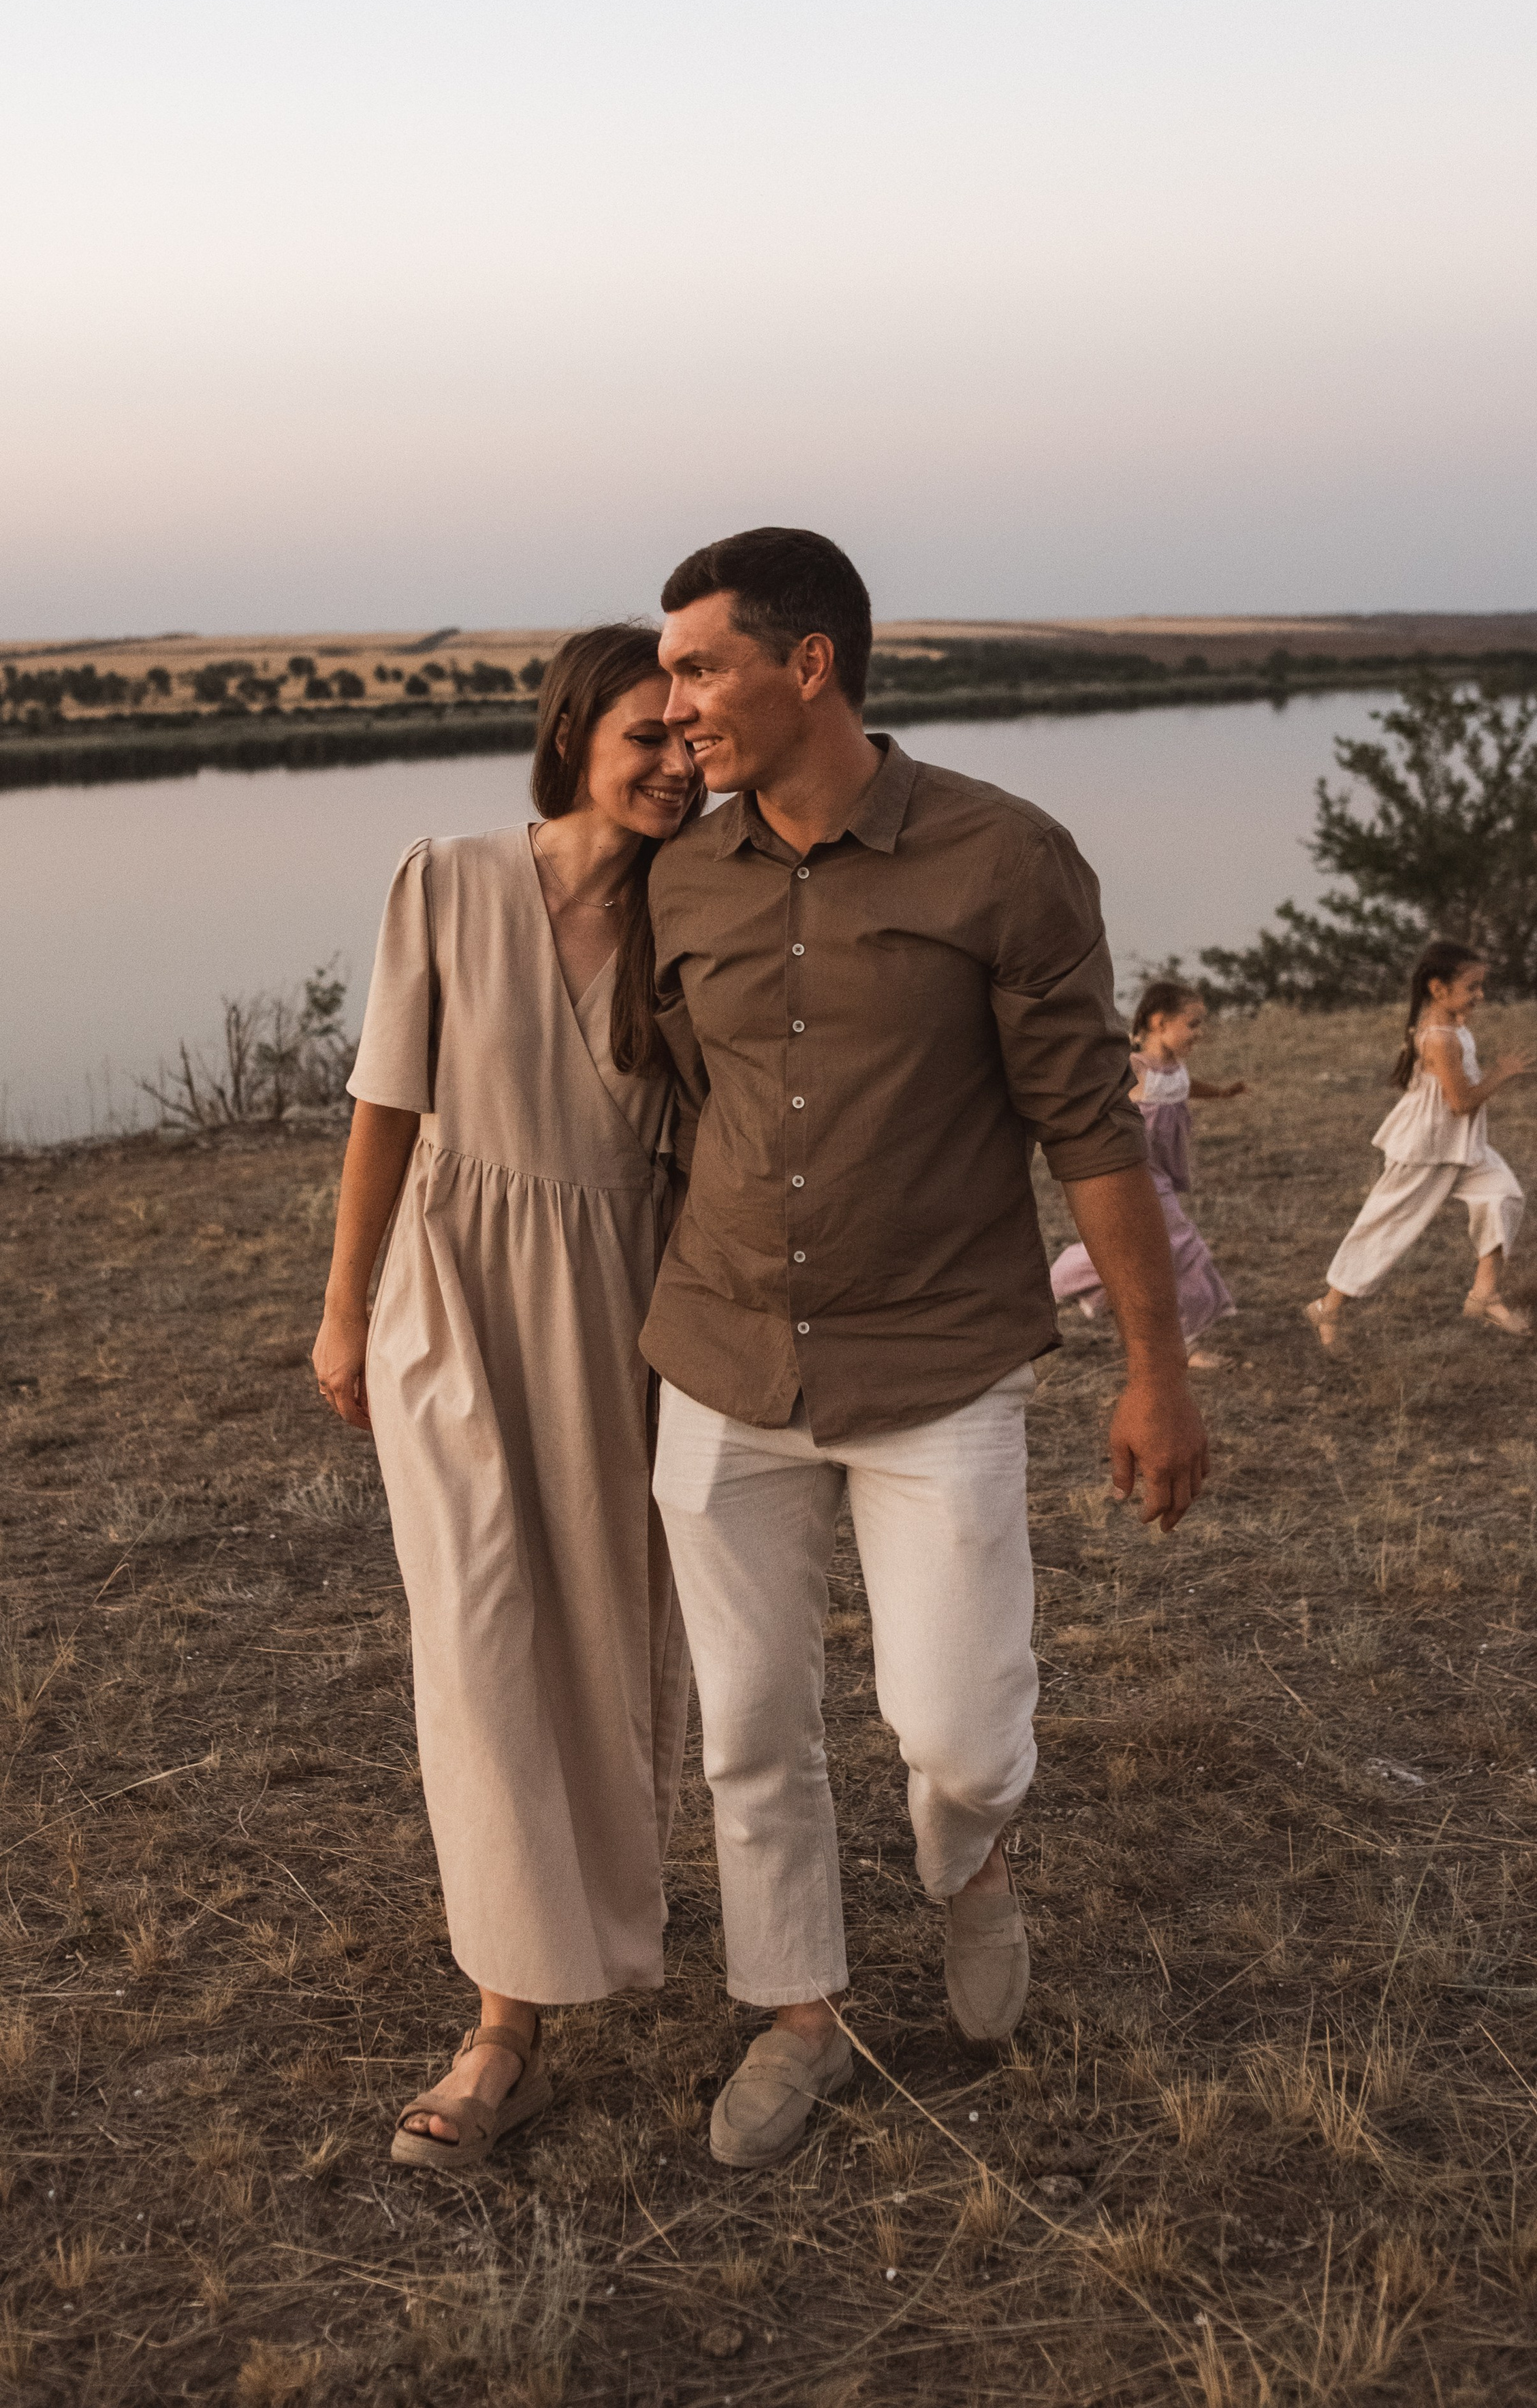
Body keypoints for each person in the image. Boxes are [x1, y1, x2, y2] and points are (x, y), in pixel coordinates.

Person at [640, 526, 1209, 2172]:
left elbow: (1089, 1131)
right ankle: (796, 2011)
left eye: (697, 666)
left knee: (955, 1727)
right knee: (749, 1724)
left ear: (805, 662)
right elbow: (687, 1101)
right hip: (721, 1353)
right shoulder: (683, 872)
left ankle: (968, 1862)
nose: (675, 704)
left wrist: (1155, 1370)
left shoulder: (1003, 857)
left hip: (935, 1362)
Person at [310, 625, 697, 2172]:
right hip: (455, 1302)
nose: (673, 762)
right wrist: (344, 1311)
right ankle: (501, 2026)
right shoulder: (449, 878)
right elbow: (382, 1110)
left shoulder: (707, 911)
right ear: (571, 734)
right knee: (478, 1648)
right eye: (641, 737)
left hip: (622, 1316)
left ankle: (603, 1921)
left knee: (606, 1639)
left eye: (690, 735)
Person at [1305, 938, 1533, 1349]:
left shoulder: (1450, 1021)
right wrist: (1500, 1073)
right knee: (1387, 1226)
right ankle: (1329, 1306)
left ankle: (1485, 1296)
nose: (1480, 996)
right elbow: (1461, 1102)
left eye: (1481, 986)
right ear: (1438, 989)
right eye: (1472, 988)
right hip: (1427, 1148)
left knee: (1503, 1195)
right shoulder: (1439, 1036)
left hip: (1461, 1146)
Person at [1049, 976, 1243, 1368]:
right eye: (1192, 1023)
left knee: (1125, 1248)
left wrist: (1222, 1093)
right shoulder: (1131, 1066)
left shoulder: (1175, 1068)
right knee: (1182, 1245)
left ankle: (1045, 1288)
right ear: (1159, 1022)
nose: (1199, 1033)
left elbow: (1184, 1088)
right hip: (1131, 1173)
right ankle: (1187, 1345)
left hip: (1162, 1178)